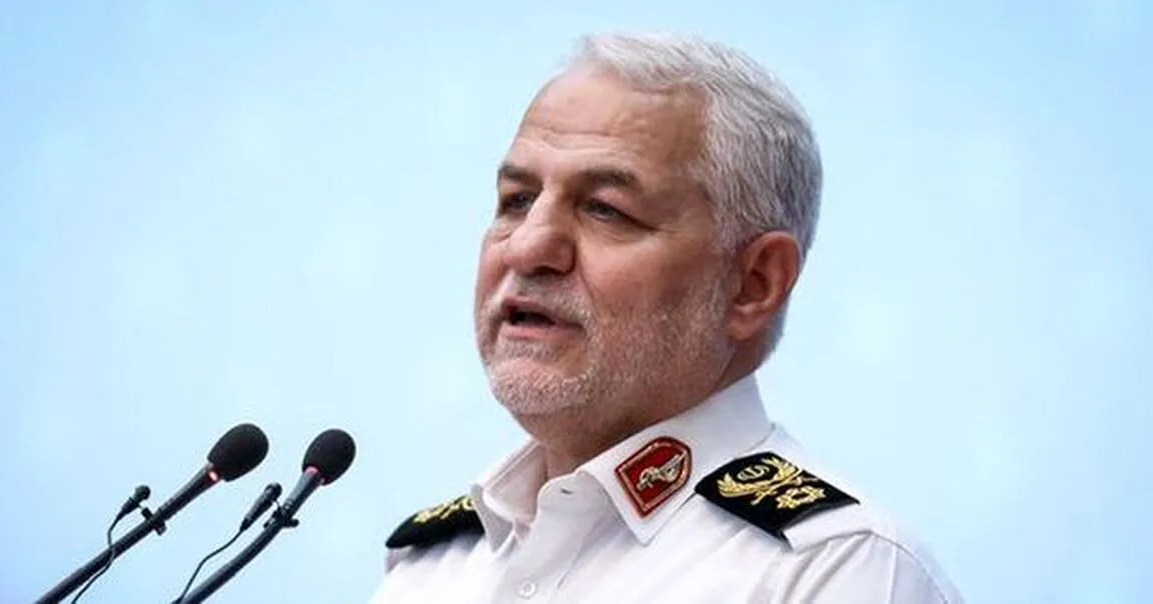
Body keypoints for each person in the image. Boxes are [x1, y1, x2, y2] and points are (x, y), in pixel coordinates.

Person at [369, 31, 963, 604]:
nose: (527, 247)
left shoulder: (837, 573)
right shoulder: (429, 570)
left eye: (605, 209)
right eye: (516, 200)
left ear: (753, 285)